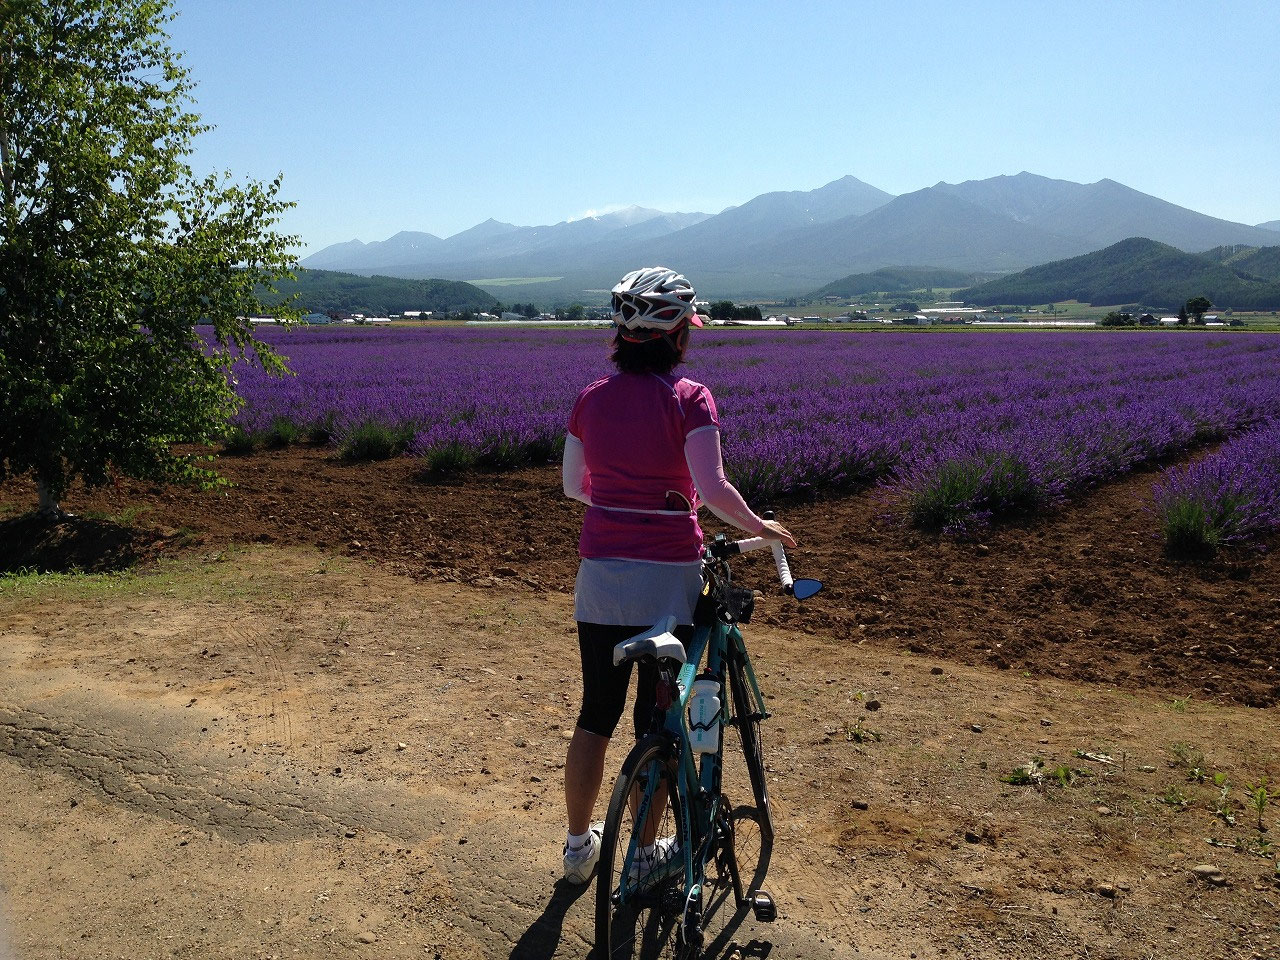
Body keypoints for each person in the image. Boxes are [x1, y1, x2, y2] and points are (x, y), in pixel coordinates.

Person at [560, 266, 794, 884]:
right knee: (656, 722)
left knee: (595, 715)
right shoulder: (691, 398)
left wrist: (620, 501)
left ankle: (578, 848)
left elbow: (570, 487)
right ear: (678, 337)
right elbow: (712, 488)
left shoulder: (590, 398)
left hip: (600, 575)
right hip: (669, 578)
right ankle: (641, 856)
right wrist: (761, 528)